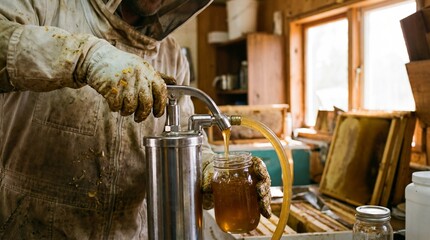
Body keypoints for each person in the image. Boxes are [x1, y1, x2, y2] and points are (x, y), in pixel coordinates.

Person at [0, 0, 272, 238]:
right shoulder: (47, 7)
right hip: (30, 228)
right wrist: (85, 56)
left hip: (130, 233)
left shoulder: (171, 55)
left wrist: (207, 169)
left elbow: (186, 133)